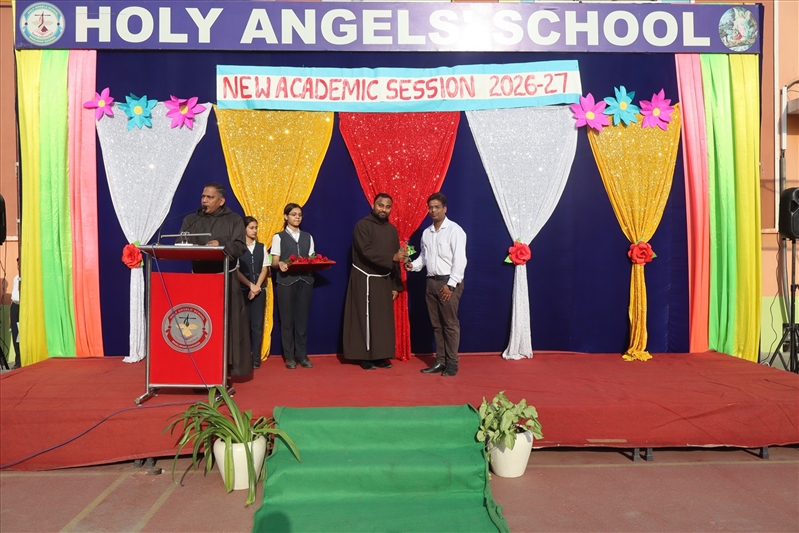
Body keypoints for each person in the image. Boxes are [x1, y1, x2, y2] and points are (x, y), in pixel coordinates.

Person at [179, 182, 251, 376]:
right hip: (199, 281)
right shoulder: (191, 219)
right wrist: (193, 247)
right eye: (203, 196)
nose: (204, 200)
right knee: (200, 325)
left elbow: (240, 246)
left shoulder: (234, 219)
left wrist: (221, 244)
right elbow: (180, 243)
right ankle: (200, 367)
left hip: (224, 280)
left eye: (209, 197)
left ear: (221, 201)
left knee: (225, 325)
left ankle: (226, 368)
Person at [405, 193, 467, 377]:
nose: (433, 210)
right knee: (437, 325)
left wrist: (451, 285)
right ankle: (441, 361)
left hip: (448, 282)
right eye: (430, 207)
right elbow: (424, 257)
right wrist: (413, 265)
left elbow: (460, 260)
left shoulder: (455, 230)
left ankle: (452, 363)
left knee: (449, 324)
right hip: (430, 282)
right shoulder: (427, 233)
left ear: (445, 209)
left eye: (437, 207)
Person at [343, 193, 407, 370]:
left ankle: (380, 356)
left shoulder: (392, 230)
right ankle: (365, 356)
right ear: (373, 205)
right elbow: (366, 251)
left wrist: (395, 285)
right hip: (365, 278)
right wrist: (392, 257)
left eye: (387, 207)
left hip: (384, 280)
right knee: (364, 318)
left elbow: (396, 259)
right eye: (380, 205)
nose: (383, 209)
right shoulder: (362, 225)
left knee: (382, 321)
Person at [271, 203, 315, 370]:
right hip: (285, 282)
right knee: (287, 320)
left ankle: (302, 355)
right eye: (294, 214)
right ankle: (289, 356)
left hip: (305, 281)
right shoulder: (279, 237)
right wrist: (280, 264)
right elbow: (274, 261)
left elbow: (311, 259)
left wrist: (317, 264)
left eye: (299, 215)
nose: (297, 217)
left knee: (302, 320)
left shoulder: (308, 237)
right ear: (286, 217)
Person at [237, 216, 269, 370]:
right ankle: (243, 357)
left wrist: (256, 287)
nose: (255, 230)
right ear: (244, 229)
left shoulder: (261, 247)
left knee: (257, 326)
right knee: (243, 325)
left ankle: (256, 358)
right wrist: (250, 286)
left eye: (256, 227)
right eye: (251, 228)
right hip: (243, 291)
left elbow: (264, 268)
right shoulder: (238, 247)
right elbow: (236, 271)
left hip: (259, 291)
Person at [10, 257, 20, 368]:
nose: (18, 266)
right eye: (18, 264)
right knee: (15, 333)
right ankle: (18, 360)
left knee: (22, 334)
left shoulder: (27, 279)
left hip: (23, 306)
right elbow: (13, 296)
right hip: (15, 306)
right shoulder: (16, 278)